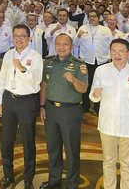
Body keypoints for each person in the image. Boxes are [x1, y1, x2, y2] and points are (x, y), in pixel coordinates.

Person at [89, 38, 129, 189]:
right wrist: (95, 94)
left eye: (121, 51)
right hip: (107, 125)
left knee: (127, 164)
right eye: (113, 51)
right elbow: (93, 97)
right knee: (108, 162)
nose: (117, 55)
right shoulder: (101, 71)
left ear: (128, 54)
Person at [0, 24, 43, 189]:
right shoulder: (9, 54)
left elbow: (36, 81)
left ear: (29, 38)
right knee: (7, 140)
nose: (19, 39)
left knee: (28, 141)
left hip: (27, 101)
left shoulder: (36, 57)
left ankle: (28, 177)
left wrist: (22, 68)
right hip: (9, 99)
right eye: (16, 36)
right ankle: (8, 175)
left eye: (22, 36)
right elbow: (2, 79)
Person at [39, 34, 88, 189]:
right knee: (53, 147)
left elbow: (84, 89)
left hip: (70, 111)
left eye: (65, 44)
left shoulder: (79, 65)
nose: (61, 47)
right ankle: (54, 180)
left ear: (71, 46)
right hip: (51, 110)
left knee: (72, 150)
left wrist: (74, 80)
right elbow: (44, 85)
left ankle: (72, 184)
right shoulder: (49, 62)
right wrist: (42, 106)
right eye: (58, 44)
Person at [74, 10, 112, 112]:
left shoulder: (105, 30)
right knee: (87, 83)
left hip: (101, 61)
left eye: (94, 16)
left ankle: (98, 106)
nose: (92, 18)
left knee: (100, 84)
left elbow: (110, 45)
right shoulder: (83, 28)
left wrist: (109, 57)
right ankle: (85, 105)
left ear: (99, 18)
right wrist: (78, 36)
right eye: (90, 16)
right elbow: (74, 44)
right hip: (86, 60)